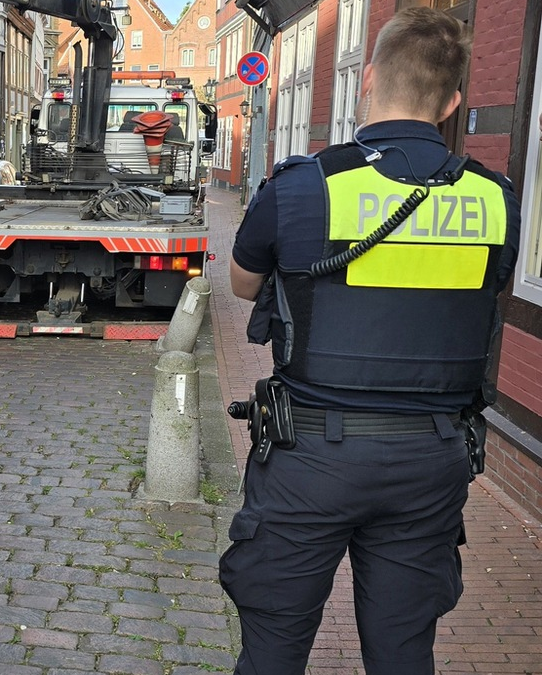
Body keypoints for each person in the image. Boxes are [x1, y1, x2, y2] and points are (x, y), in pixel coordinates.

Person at [221, 8, 521, 675]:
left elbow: (244, 285)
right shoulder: (496, 200)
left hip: (310, 458)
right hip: (433, 460)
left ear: (369, 79)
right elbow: (485, 294)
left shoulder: (304, 184)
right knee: (404, 653)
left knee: (272, 649)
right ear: (450, 102)